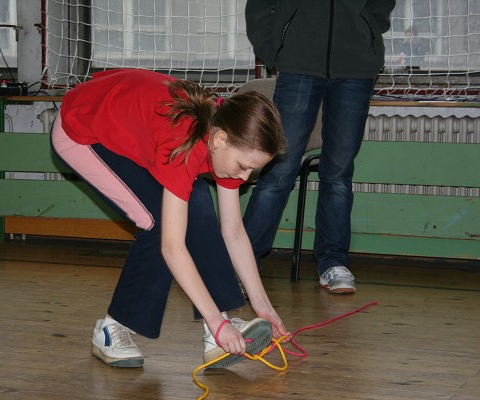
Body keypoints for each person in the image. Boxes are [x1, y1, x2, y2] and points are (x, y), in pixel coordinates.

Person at [51, 68, 290, 368]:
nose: (244, 177)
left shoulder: (226, 139)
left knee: (197, 198)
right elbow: (172, 247)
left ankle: (216, 330)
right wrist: (215, 321)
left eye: (251, 171)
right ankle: (113, 328)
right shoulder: (185, 142)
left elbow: (233, 232)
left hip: (127, 123)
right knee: (160, 222)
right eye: (243, 166)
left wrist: (263, 306)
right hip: (81, 130)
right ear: (218, 140)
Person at [244, 1, 396, 294]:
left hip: (356, 69)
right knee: (278, 171)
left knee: (338, 174)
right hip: (298, 65)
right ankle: (243, 262)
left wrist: (368, 34)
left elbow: (381, 6)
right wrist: (274, 49)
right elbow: (261, 6)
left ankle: (333, 263)